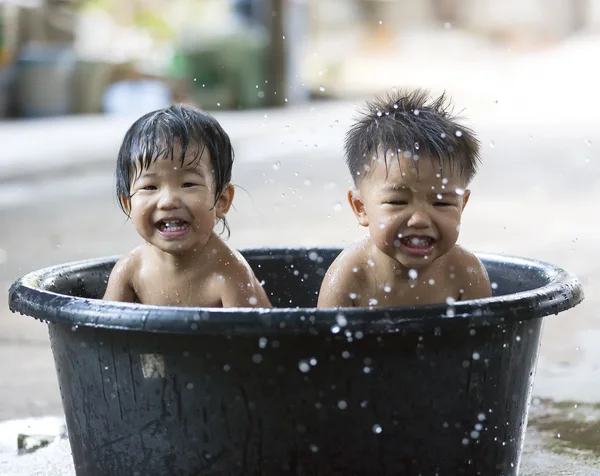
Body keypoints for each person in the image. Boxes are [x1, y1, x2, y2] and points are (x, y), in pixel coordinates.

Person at [318, 88, 491, 308]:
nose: (419, 219)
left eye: (442, 202)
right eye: (397, 202)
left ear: (461, 205)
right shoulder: (350, 276)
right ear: (361, 207)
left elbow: (485, 341)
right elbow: (325, 342)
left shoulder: (467, 273)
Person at [103, 104, 271, 308]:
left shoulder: (229, 275)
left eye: (188, 184)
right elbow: (103, 335)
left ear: (221, 201)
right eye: (150, 186)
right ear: (128, 204)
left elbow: (260, 339)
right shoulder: (130, 270)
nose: (168, 201)